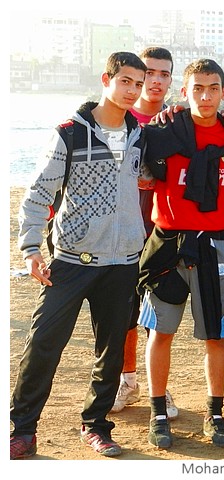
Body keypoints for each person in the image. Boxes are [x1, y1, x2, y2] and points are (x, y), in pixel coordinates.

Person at [10, 51, 148, 460]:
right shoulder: (70, 133)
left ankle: (97, 425)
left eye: (138, 84)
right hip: (72, 261)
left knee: (110, 350)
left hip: (123, 263)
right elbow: (38, 193)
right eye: (125, 81)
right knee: (43, 344)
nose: (133, 90)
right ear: (107, 79)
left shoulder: (141, 133)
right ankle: (22, 430)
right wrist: (32, 249)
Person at [137, 58, 224, 449]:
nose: (205, 96)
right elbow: (134, 163)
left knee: (215, 335)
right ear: (183, 92)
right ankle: (158, 411)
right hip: (168, 244)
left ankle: (215, 412)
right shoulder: (162, 131)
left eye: (213, 88)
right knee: (161, 331)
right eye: (197, 88)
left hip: (215, 244)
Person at [111, 46, 179, 420]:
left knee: (158, 315)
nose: (155, 80)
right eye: (148, 72)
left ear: (171, 80)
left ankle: (159, 388)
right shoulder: (117, 119)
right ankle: (127, 378)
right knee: (123, 312)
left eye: (163, 74)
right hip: (121, 228)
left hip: (163, 231)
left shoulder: (176, 122)